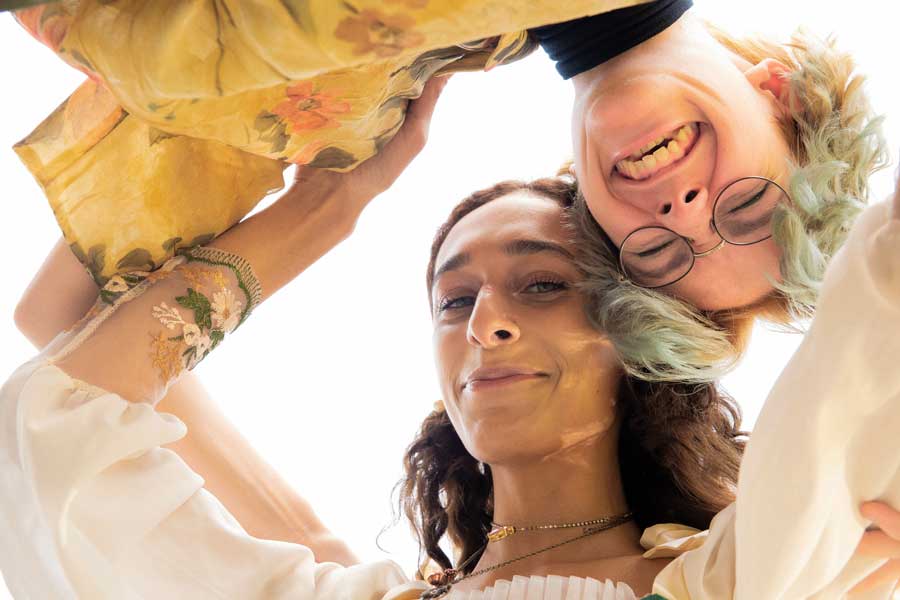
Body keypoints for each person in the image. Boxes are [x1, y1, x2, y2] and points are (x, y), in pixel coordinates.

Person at [3, 77, 900, 599]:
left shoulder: (740, 579)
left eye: (544, 284)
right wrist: (328, 205)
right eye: (451, 298)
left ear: (639, 338)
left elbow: (876, 295)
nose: (485, 323)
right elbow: (52, 424)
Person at [5, 1, 887, 328]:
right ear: (783, 94)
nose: (686, 213)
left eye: (661, 255)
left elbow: (63, 317)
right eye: (746, 209)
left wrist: (331, 209)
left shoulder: (395, 91)